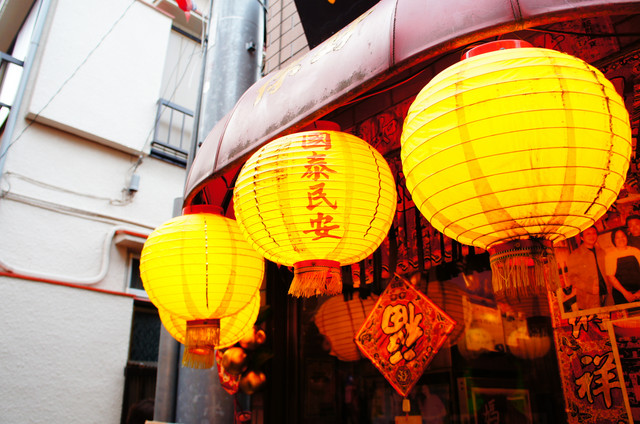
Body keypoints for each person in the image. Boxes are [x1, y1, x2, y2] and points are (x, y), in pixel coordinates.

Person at [566, 226, 609, 310]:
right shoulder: (575, 255)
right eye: (588, 234)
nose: (592, 236)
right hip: (588, 299)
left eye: (594, 233)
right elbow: (572, 278)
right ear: (582, 237)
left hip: (606, 296)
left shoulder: (601, 252)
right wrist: (589, 288)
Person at [605, 228, 640, 305]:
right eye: (617, 237)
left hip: (638, 292)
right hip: (621, 294)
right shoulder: (610, 255)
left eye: (623, 236)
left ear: (626, 237)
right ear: (613, 240)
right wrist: (626, 293)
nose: (621, 239)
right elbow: (611, 277)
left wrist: (639, 292)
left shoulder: (635, 251)